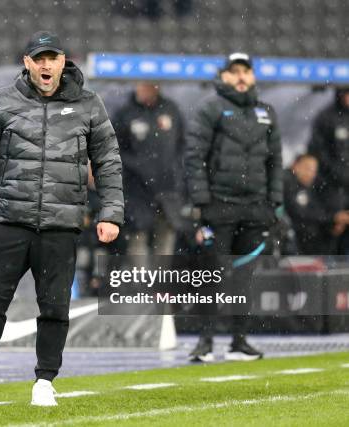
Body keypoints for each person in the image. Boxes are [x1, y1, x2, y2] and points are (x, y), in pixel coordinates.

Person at [0, 31, 124, 409]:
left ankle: (44, 382)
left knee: (55, 308)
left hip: (61, 223)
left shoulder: (89, 105)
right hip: (9, 220)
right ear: (26, 62)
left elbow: (108, 162)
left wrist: (111, 212)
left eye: (51, 58)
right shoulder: (1, 101)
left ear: (62, 61)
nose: (45, 65)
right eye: (38, 58)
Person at [184, 52, 283, 362]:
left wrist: (274, 202)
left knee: (245, 278)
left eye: (246, 71)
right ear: (224, 76)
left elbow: (275, 162)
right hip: (219, 206)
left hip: (255, 208)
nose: (241, 76)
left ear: (253, 76)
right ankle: (205, 340)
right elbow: (194, 158)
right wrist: (202, 203)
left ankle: (239, 340)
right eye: (235, 71)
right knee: (214, 274)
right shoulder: (210, 110)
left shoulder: (267, 113)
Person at [112, 81, 185, 258]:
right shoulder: (126, 113)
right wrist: (136, 167)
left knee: (165, 244)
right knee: (137, 243)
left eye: (150, 85)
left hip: (167, 190)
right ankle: (141, 285)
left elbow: (181, 146)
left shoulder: (171, 110)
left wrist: (175, 173)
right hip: (136, 191)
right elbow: (115, 149)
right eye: (142, 84)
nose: (145, 89)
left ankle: (159, 285)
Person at [308, 86, 349, 254]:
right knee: (333, 232)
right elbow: (318, 151)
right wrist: (338, 173)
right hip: (332, 188)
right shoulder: (326, 117)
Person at [283, 154, 349, 255]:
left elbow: (316, 211)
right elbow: (300, 213)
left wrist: (332, 224)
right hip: (294, 241)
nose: (311, 174)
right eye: (307, 168)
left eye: (314, 171)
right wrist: (333, 218)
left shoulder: (309, 187)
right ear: (295, 165)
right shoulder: (288, 182)